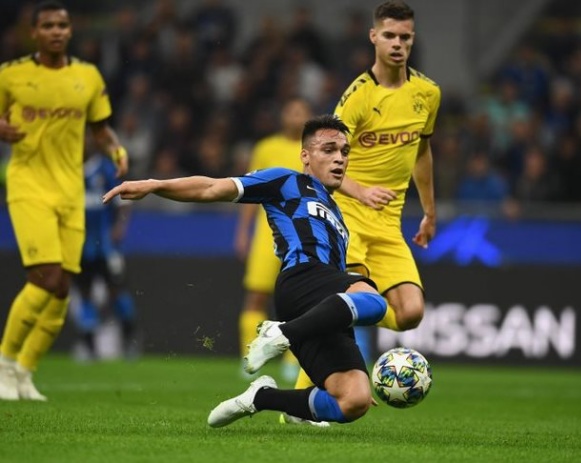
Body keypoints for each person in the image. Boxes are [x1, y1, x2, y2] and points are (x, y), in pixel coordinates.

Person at [102, 115, 387, 427]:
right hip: (302, 279)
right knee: (375, 302)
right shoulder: (285, 181)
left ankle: (261, 397)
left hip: (319, 304)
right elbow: (212, 187)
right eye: (329, 150)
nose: (339, 158)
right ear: (305, 156)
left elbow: (338, 290)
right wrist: (156, 185)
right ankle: (280, 334)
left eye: (344, 152)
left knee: (353, 400)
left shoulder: (336, 213)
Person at [290, 0, 442, 397]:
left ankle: (316, 325)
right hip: (348, 217)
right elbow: (322, 159)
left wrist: (429, 211)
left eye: (404, 37)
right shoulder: (357, 96)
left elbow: (422, 153)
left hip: (389, 224)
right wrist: (360, 190)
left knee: (410, 313)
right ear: (374, 37)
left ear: (412, 39)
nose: (397, 44)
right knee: (352, 302)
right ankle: (304, 397)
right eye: (389, 35)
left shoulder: (427, 93)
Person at [0, 1, 128, 401]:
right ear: (34, 32)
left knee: (60, 291)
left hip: (71, 190)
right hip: (28, 184)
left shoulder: (87, 76)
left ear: (70, 31)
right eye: (48, 25)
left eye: (62, 25)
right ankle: (4, 363)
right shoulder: (10, 74)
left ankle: (24, 372)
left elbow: (100, 129)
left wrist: (115, 149)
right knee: (47, 277)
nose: (56, 31)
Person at [233, 97, 312, 381]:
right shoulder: (265, 148)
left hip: (304, 232)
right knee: (256, 295)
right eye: (291, 112)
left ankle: (295, 360)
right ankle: (250, 357)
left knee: (303, 299)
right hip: (267, 233)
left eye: (301, 112)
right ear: (282, 116)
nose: (295, 117)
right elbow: (248, 192)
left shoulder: (314, 150)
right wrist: (243, 232)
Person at [73, 145, 138, 361]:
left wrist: (120, 226)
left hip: (106, 247)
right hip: (80, 247)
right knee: (84, 294)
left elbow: (124, 201)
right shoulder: (69, 169)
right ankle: (89, 348)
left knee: (116, 291)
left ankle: (130, 339)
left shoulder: (105, 168)